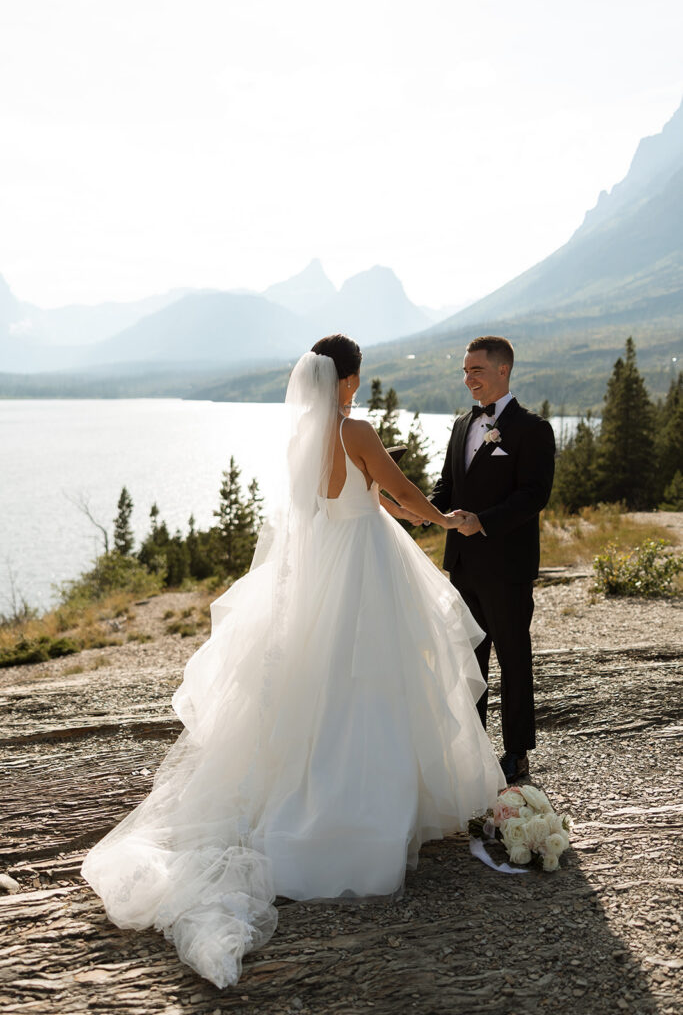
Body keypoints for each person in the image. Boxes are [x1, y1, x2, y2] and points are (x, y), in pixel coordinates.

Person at [81, 334, 505, 989]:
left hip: (322, 571)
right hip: (366, 568)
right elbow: (400, 493)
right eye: (356, 378)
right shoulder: (355, 429)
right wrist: (446, 521)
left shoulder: (299, 438)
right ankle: (364, 820)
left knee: (323, 690)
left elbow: (333, 506)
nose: (357, 388)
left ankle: (315, 801)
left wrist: (402, 512)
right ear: (347, 380)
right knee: (378, 684)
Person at [430, 335, 555, 784]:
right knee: (468, 659)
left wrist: (481, 521)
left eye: (476, 371)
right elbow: (447, 487)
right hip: (462, 566)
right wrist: (422, 512)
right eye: (464, 371)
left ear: (503, 370)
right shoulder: (463, 425)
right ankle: (474, 749)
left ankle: (517, 753)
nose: (468, 379)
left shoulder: (533, 429)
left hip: (507, 566)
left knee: (514, 658)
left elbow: (533, 496)